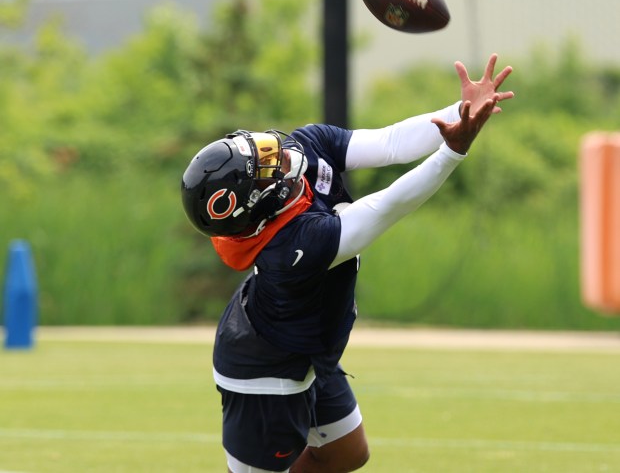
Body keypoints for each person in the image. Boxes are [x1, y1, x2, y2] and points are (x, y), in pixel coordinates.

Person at [181, 53, 514, 472]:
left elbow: (389, 142)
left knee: (345, 453)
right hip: (265, 371)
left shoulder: (305, 146)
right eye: (266, 166)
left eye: (263, 150)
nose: (279, 154)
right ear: (258, 202)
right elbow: (386, 207)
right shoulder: (290, 248)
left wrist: (460, 113)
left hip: (307, 348)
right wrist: (452, 152)